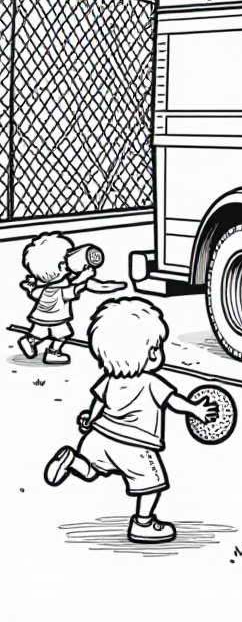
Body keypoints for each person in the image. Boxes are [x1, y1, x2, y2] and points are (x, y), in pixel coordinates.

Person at [43, 297, 218, 544]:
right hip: (133, 446)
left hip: (98, 437)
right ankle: (143, 524)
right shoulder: (151, 382)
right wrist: (196, 410)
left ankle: (73, 461)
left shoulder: (109, 380)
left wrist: (88, 420)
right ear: (151, 353)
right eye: (157, 346)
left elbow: (97, 404)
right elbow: (174, 401)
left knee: (92, 469)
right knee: (152, 484)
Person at [18, 233, 95, 364]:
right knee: (62, 335)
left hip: (40, 316)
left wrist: (31, 287)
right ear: (60, 267)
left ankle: (30, 341)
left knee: (40, 334)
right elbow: (73, 290)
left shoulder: (48, 286)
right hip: (57, 317)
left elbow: (35, 293)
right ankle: (53, 354)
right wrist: (84, 278)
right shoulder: (59, 289)